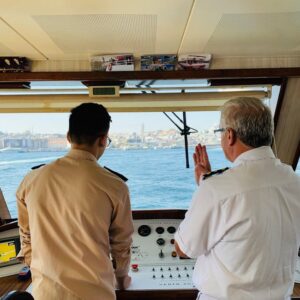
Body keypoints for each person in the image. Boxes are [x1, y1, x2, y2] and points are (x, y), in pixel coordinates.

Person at [174, 97, 300, 300]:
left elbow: (183, 249)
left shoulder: (216, 188)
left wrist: (206, 186)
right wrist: (207, 182)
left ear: (230, 135)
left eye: (221, 132)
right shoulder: (294, 181)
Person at [17, 103, 134, 300]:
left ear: (68, 136)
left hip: (46, 294)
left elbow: (27, 238)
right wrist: (122, 280)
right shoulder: (115, 186)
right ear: (103, 140)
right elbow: (121, 245)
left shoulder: (31, 180)